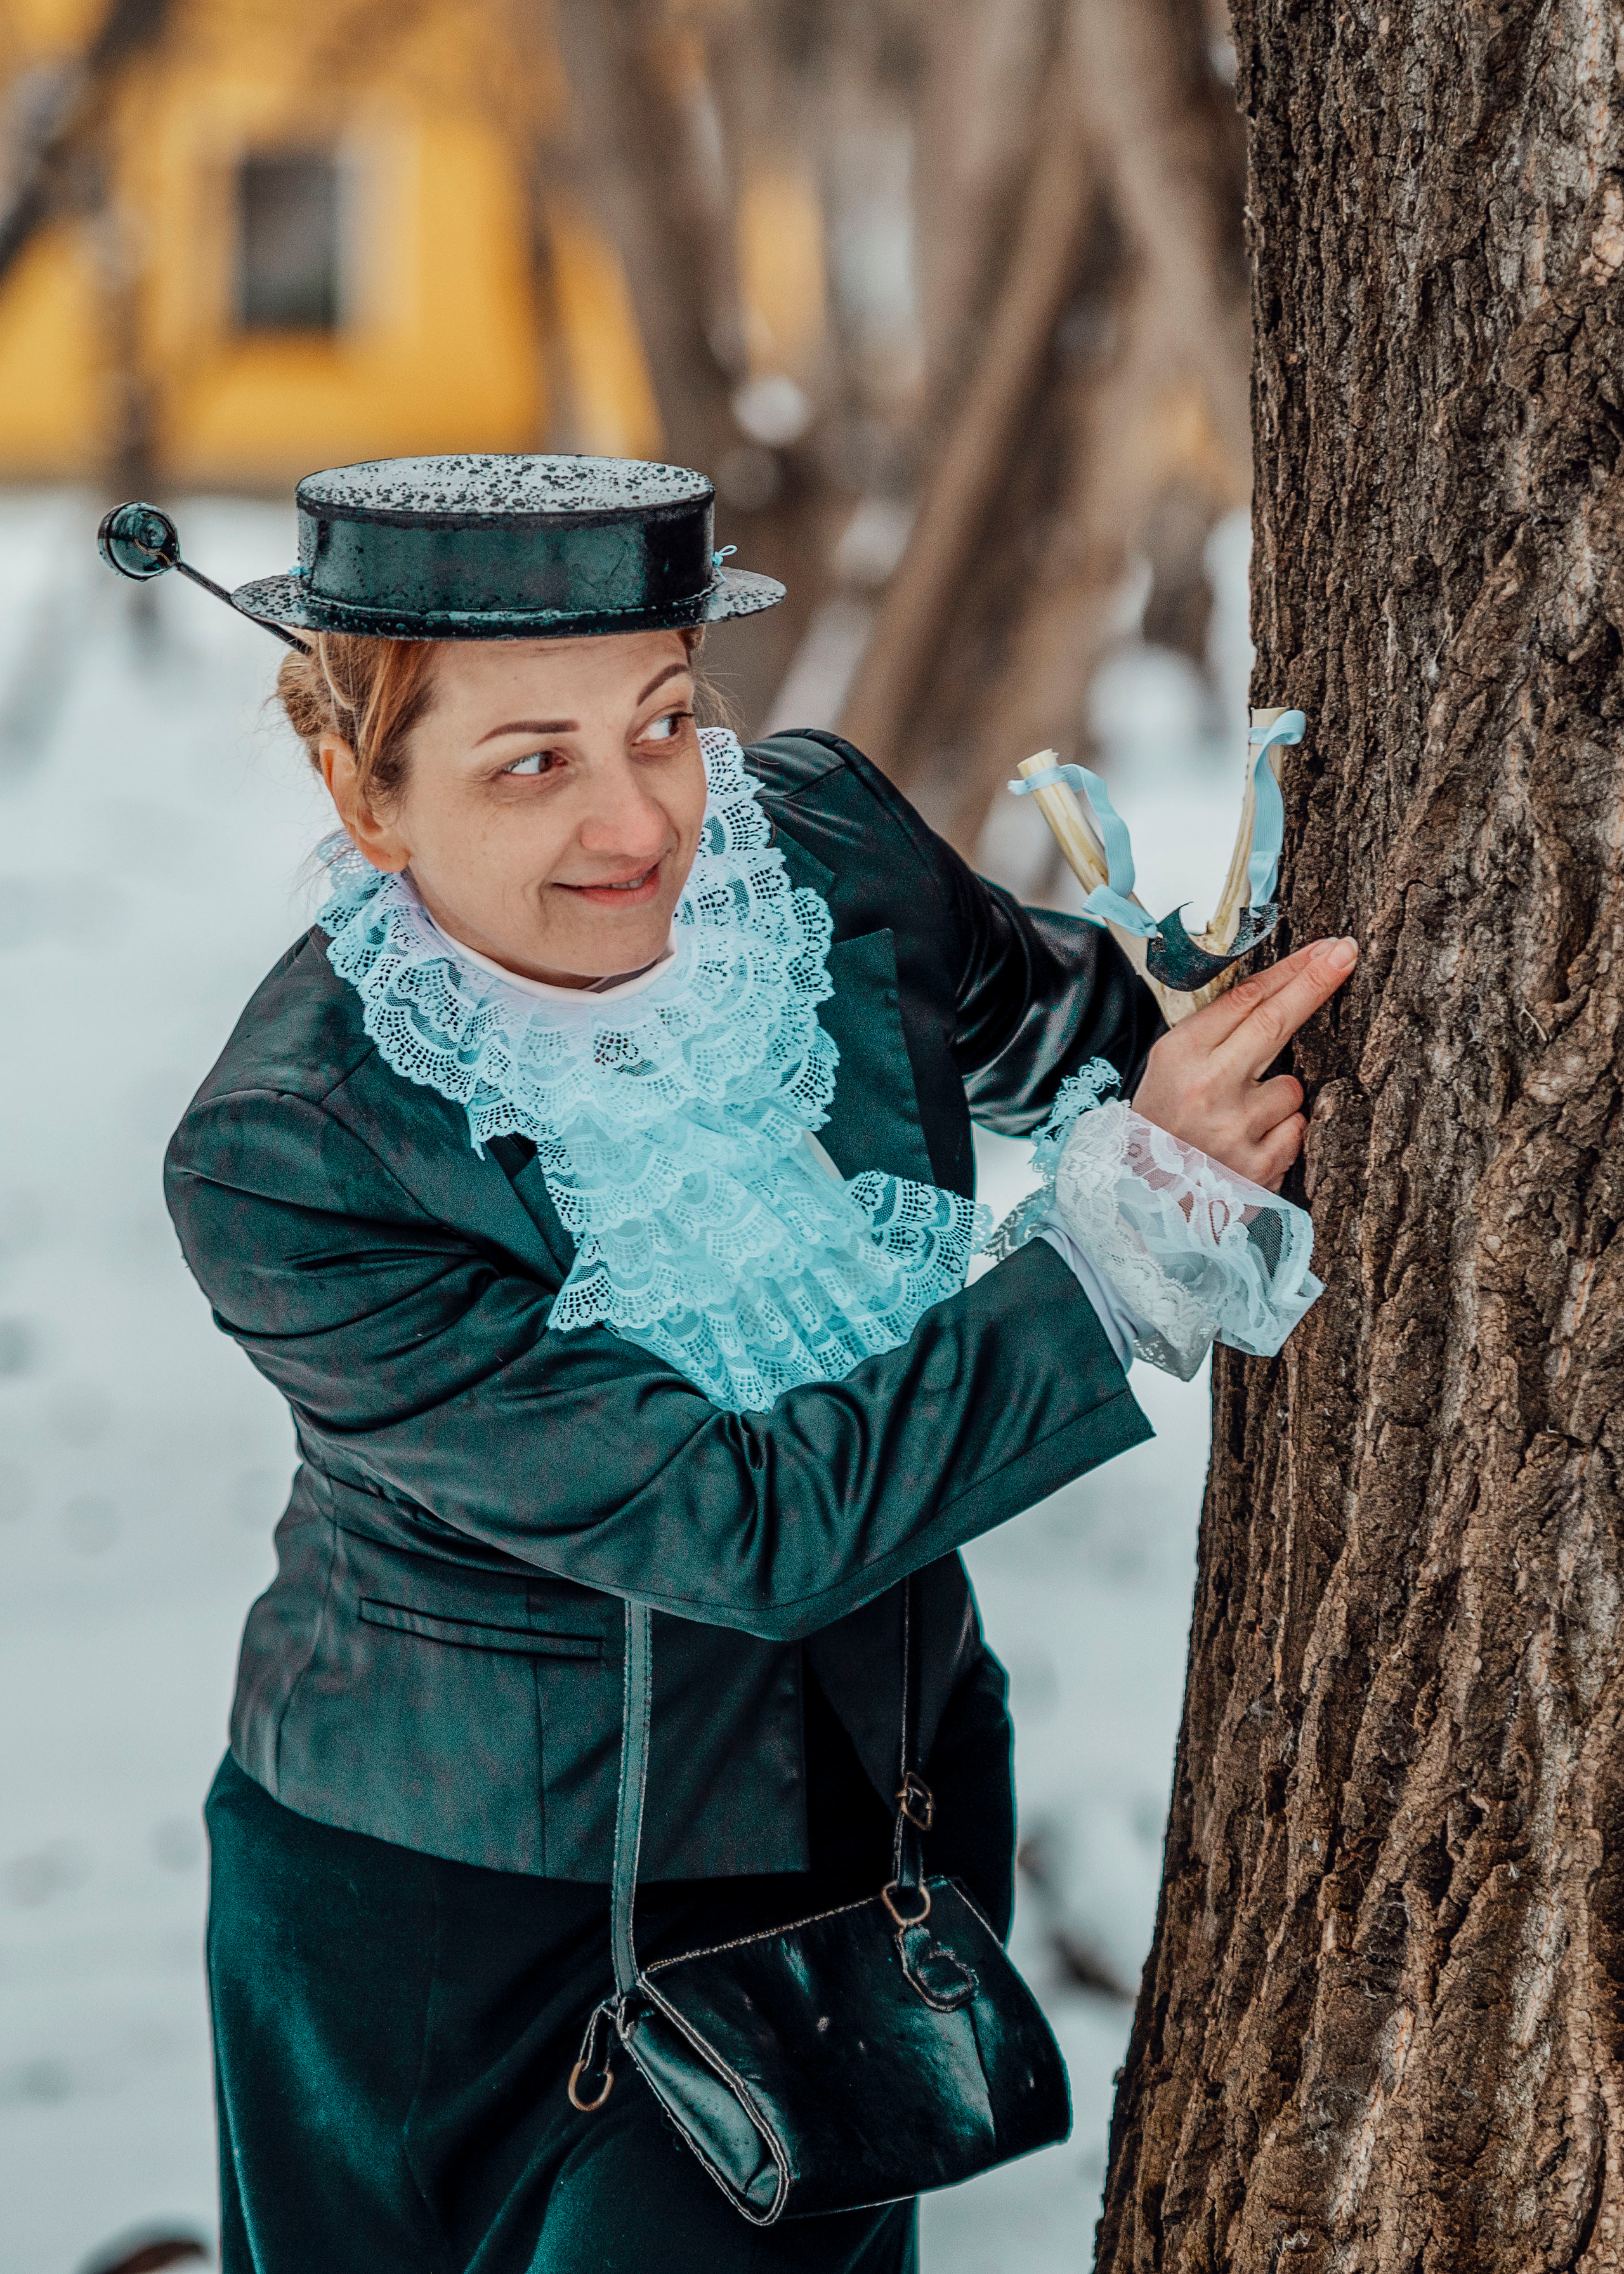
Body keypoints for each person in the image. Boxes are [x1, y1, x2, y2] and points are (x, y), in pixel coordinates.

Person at [159, 455, 1355, 2273]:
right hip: (433, 1921)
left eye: (662, 721)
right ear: (363, 790)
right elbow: (742, 1525)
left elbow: (1074, 1040)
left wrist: (1195, 1055)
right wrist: (1124, 1237)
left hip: (847, 1863)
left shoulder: (820, 858)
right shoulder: (295, 1157)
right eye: (532, 761)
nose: (643, 821)